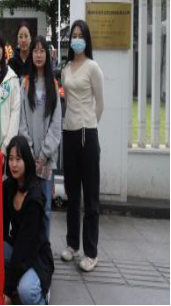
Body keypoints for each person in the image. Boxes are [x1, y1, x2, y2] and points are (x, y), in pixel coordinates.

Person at [61, 20, 105, 273]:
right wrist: (74, 124)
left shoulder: (92, 67)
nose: (76, 39)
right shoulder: (66, 68)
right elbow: (67, 101)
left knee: (90, 197)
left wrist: (88, 124)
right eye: (73, 35)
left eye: (80, 35)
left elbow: (100, 104)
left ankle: (91, 252)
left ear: (87, 39)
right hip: (69, 134)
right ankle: (71, 244)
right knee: (71, 193)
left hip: (88, 135)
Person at [3, 136, 54, 306]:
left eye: (18, 159)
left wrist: (8, 290)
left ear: (27, 161)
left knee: (26, 291)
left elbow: (24, 246)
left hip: (37, 254)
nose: (13, 164)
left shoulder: (34, 198)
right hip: (18, 247)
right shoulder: (8, 187)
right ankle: (18, 278)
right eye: (10, 159)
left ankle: (43, 292)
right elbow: (3, 228)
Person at [19, 36, 62, 238]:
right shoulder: (25, 84)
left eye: (42, 51)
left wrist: (43, 155)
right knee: (28, 206)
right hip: (29, 159)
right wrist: (29, 153)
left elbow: (56, 125)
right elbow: (22, 122)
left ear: (47, 55)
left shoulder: (53, 85)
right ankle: (29, 246)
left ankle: (44, 249)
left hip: (46, 161)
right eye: (35, 51)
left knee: (45, 208)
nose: (38, 55)